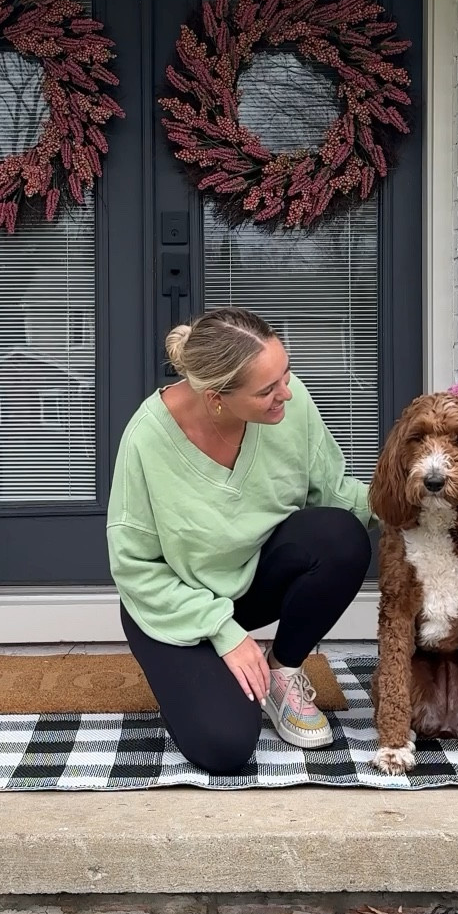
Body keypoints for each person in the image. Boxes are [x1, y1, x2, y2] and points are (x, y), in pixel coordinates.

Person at [107, 307, 372, 775]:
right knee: (224, 748)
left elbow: (334, 496)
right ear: (216, 399)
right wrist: (225, 634)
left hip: (252, 583)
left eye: (286, 375)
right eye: (267, 390)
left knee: (340, 536)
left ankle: (283, 672)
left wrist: (416, 503)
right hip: (173, 604)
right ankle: (191, 680)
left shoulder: (291, 405)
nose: (286, 393)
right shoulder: (147, 439)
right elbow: (135, 567)